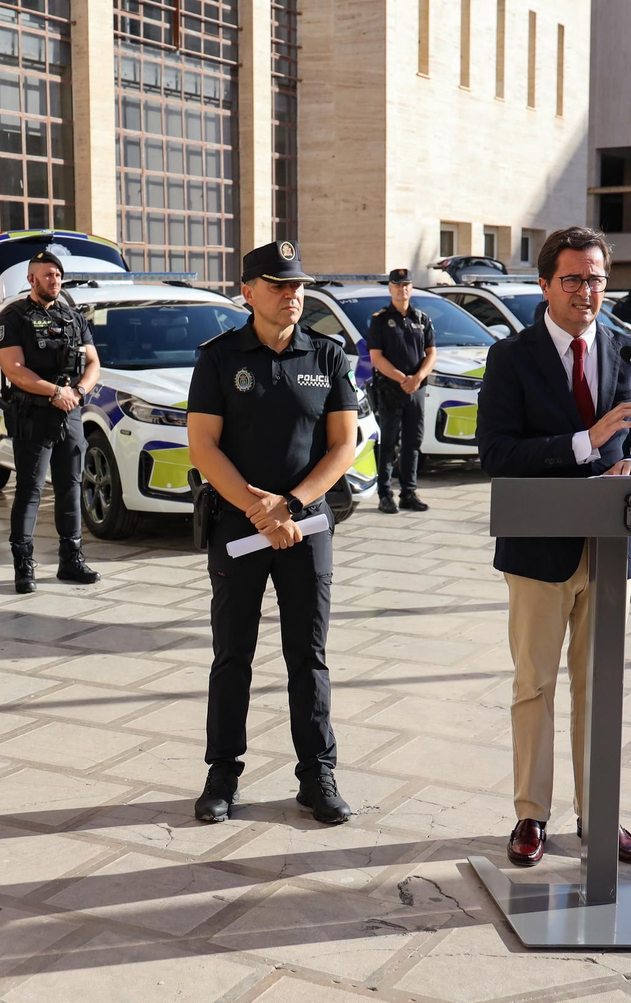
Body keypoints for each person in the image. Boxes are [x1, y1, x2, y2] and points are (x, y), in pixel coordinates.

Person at [476, 226, 631, 868]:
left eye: (595, 278)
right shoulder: (512, 358)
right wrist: (584, 443)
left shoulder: (629, 351)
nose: (586, 291)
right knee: (534, 683)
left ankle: (600, 817)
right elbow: (497, 453)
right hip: (539, 551)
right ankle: (531, 817)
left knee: (600, 688)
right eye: (572, 279)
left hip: (612, 547)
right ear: (544, 285)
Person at [187, 239, 360, 825]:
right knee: (232, 655)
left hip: (305, 524)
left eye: (298, 285)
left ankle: (317, 776)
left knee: (307, 655)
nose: (293, 295)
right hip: (238, 527)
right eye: (279, 285)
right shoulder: (217, 358)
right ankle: (222, 775)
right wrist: (260, 510)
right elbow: (203, 447)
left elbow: (344, 446)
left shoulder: (328, 356)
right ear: (248, 291)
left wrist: (289, 504)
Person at [0, 250, 102, 593]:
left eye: (57, 275)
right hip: (33, 414)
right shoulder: (12, 318)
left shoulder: (73, 318)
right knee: (31, 489)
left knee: (71, 486)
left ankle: (71, 560)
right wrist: (55, 392)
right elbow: (14, 370)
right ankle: (23, 566)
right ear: (31, 279)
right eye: (47, 275)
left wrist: (79, 392)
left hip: (69, 412)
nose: (54, 280)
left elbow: (93, 362)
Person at [365, 267, 436, 515]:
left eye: (406, 285)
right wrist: (402, 378)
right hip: (391, 390)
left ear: (411, 288)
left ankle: (409, 493)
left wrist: (417, 378)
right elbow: (376, 357)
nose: (402, 289)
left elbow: (431, 353)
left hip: (415, 389)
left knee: (412, 443)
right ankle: (385, 494)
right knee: (388, 444)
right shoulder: (381, 319)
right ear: (390, 289)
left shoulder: (421, 318)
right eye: (397, 285)